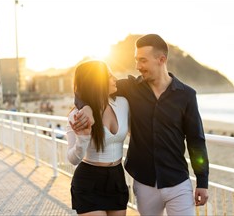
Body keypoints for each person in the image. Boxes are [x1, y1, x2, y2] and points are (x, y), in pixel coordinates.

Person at [73, 34, 209, 216]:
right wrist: (86, 107)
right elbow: (88, 87)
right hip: (144, 183)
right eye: (136, 60)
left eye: (143, 61)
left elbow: (196, 141)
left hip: (178, 181)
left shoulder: (186, 95)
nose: (138, 66)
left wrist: (202, 182)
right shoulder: (130, 88)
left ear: (161, 60)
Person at [66, 60, 129, 216]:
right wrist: (84, 138)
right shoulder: (77, 115)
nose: (115, 78)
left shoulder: (123, 103)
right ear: (96, 82)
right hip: (89, 181)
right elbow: (73, 159)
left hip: (116, 178)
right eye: (109, 76)